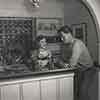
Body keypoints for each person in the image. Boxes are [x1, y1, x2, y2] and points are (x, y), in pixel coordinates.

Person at [57, 25, 95, 100]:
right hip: (77, 70)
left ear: (70, 34)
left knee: (82, 93)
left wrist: (63, 63)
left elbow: (71, 64)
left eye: (63, 36)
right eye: (60, 37)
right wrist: (62, 63)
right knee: (74, 92)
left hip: (87, 70)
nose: (61, 39)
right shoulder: (63, 44)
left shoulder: (77, 44)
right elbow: (60, 59)